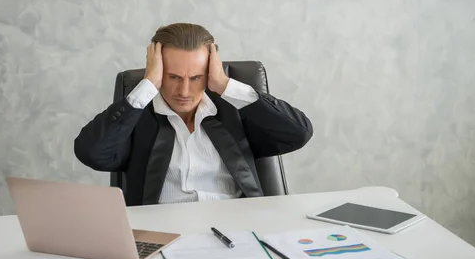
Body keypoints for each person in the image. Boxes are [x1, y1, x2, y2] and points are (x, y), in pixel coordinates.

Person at [74, 23, 313, 206]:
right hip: (164, 232)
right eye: (173, 77)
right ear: (157, 71)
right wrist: (147, 85)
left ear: (210, 70)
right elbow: (92, 153)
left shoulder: (233, 109)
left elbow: (298, 134)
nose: (184, 91)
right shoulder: (137, 116)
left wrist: (224, 85)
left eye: (196, 77)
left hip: (235, 227)